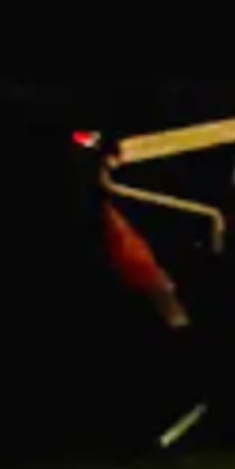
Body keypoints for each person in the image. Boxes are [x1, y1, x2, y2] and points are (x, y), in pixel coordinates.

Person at [86, 135, 207, 448]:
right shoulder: (114, 230)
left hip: (147, 270)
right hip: (141, 276)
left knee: (173, 312)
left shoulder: (128, 228)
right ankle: (187, 395)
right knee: (171, 314)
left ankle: (190, 395)